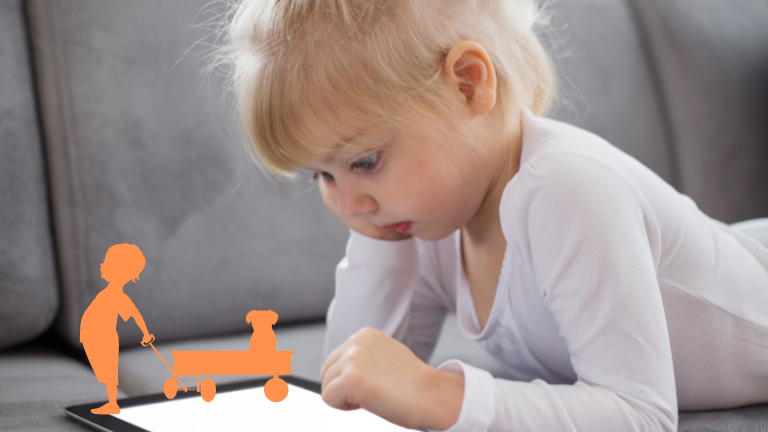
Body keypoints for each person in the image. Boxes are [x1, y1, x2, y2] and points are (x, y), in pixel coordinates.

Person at [221, 1, 768, 430]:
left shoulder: (566, 190)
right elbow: (352, 388)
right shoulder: (427, 223)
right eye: (323, 176)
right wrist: (379, 247)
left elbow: (641, 415)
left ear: (468, 84)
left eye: (365, 161)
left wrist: (441, 395)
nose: (346, 205)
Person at [80, 243, 154, 415]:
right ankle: (112, 402)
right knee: (105, 372)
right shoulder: (108, 293)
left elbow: (136, 315)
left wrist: (146, 334)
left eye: (106, 263)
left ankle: (112, 404)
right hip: (95, 338)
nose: (101, 265)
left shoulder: (118, 296)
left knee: (108, 373)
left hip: (105, 339)